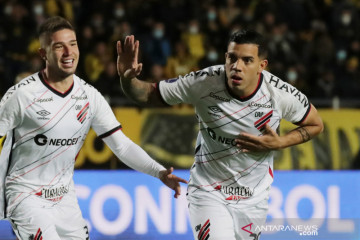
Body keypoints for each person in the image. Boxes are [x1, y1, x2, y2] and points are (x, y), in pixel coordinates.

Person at [117, 30, 324, 239]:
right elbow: (147, 95)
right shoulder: (204, 82)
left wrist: (279, 143)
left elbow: (316, 124)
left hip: (254, 199)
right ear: (225, 57)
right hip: (209, 191)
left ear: (262, 65)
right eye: (232, 58)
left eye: (247, 60)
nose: (237, 66)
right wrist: (127, 80)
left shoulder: (279, 94)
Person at [0, 16, 187, 240]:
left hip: (64, 198)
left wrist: (158, 172)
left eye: (73, 44)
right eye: (59, 46)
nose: (69, 53)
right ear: (43, 54)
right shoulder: (21, 95)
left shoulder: (89, 96)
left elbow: (122, 146)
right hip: (26, 196)